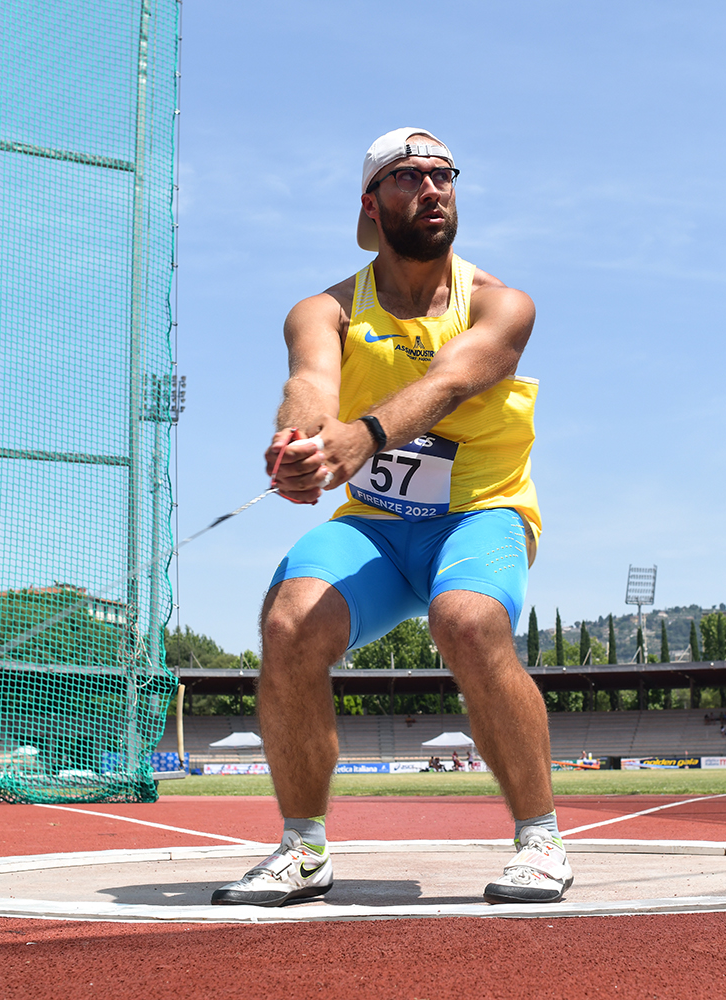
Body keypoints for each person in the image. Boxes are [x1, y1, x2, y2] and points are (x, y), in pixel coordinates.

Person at [211, 128, 570, 908]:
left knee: (467, 621)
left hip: (479, 513)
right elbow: (311, 382)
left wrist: (363, 436)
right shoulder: (326, 309)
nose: (432, 188)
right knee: (288, 624)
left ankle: (540, 839)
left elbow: (449, 382)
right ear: (371, 204)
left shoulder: (502, 303)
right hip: (374, 525)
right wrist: (299, 442)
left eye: (443, 174)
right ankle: (303, 849)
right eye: (408, 176)